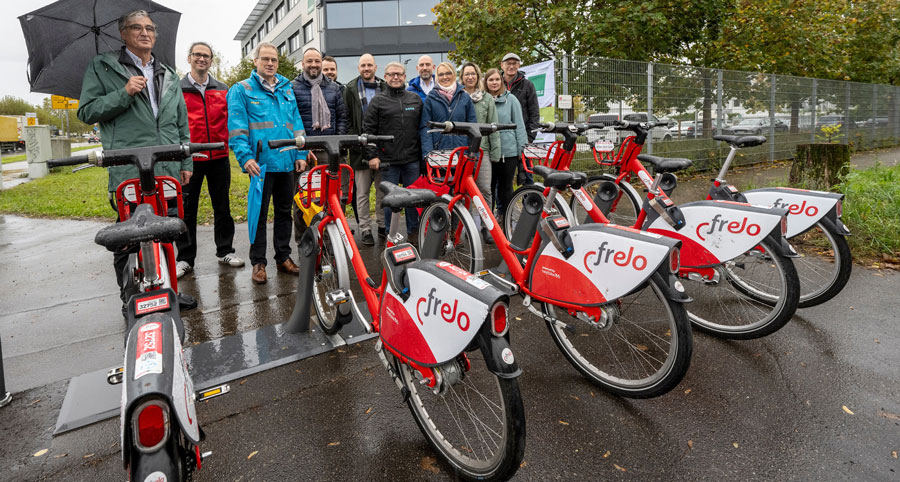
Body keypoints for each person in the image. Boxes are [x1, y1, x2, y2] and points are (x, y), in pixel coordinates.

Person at [76, 10, 192, 314]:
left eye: (150, 28)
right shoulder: (103, 68)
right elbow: (87, 112)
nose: (145, 33)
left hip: (166, 164)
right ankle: (129, 297)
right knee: (128, 235)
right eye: (136, 28)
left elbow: (181, 121)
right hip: (128, 165)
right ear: (123, 33)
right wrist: (124, 93)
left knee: (167, 230)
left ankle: (171, 291)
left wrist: (186, 160)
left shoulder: (168, 72)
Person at [227, 42, 309, 284]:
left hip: (286, 162)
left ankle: (283, 257)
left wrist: (301, 154)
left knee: (284, 213)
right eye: (265, 59)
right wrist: (245, 157)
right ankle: (258, 263)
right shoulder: (241, 90)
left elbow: (296, 123)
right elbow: (237, 128)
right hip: (261, 165)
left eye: (274, 59)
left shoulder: (286, 87)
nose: (270, 63)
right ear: (255, 61)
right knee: (259, 215)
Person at [175, 41, 243, 279]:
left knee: (222, 206)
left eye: (206, 56)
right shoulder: (177, 88)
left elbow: (232, 120)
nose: (201, 59)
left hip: (219, 157)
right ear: (189, 57)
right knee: (187, 210)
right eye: (197, 55)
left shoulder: (223, 88)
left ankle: (225, 250)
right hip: (190, 159)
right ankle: (184, 258)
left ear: (211, 60)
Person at [362, 61, 423, 241]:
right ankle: (391, 234)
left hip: (412, 159)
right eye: (391, 74)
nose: (395, 77)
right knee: (390, 200)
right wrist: (372, 155)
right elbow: (368, 131)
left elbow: (422, 129)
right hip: (388, 160)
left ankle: (414, 232)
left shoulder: (415, 99)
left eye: (399, 74)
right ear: (386, 77)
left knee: (413, 199)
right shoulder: (378, 101)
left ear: (405, 77)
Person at [343, 53, 385, 246]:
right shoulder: (350, 89)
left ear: (375, 67)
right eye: (363, 65)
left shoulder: (384, 87)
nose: (366, 68)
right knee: (361, 193)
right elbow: (347, 117)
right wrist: (356, 140)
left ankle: (383, 225)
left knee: (382, 191)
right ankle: (365, 229)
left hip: (381, 147)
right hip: (359, 149)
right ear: (358, 68)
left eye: (369, 65)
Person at [460, 62, 500, 242]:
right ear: (462, 77)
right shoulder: (458, 97)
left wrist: (495, 153)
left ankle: (487, 227)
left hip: (482, 151)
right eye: (466, 74)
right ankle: (468, 228)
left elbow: (493, 126)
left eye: (473, 74)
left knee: (485, 189)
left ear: (478, 76)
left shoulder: (487, 99)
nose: (470, 77)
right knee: (464, 191)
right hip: (463, 151)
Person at [485, 68, 527, 223]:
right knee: (488, 188)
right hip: (488, 152)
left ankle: (507, 217)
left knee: (506, 188)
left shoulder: (511, 100)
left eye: (497, 79)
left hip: (508, 152)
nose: (494, 82)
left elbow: (519, 126)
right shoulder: (483, 100)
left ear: (501, 81)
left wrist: (521, 151)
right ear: (486, 82)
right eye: (491, 80)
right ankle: (489, 222)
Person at [419, 62, 477, 165]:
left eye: (448, 73)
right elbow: (425, 127)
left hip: (462, 153)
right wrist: (428, 153)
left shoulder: (464, 97)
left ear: (454, 75)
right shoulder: (431, 98)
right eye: (441, 74)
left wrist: (473, 153)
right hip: (439, 155)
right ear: (437, 77)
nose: (445, 77)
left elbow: (473, 126)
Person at [501, 52, 539, 185]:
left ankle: (530, 204)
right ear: (502, 65)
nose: (511, 66)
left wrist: (530, 138)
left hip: (523, 138)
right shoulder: (495, 84)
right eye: (508, 63)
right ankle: (504, 206)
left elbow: (534, 113)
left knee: (527, 176)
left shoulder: (528, 85)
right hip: (503, 139)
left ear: (518, 65)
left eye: (514, 63)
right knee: (503, 179)